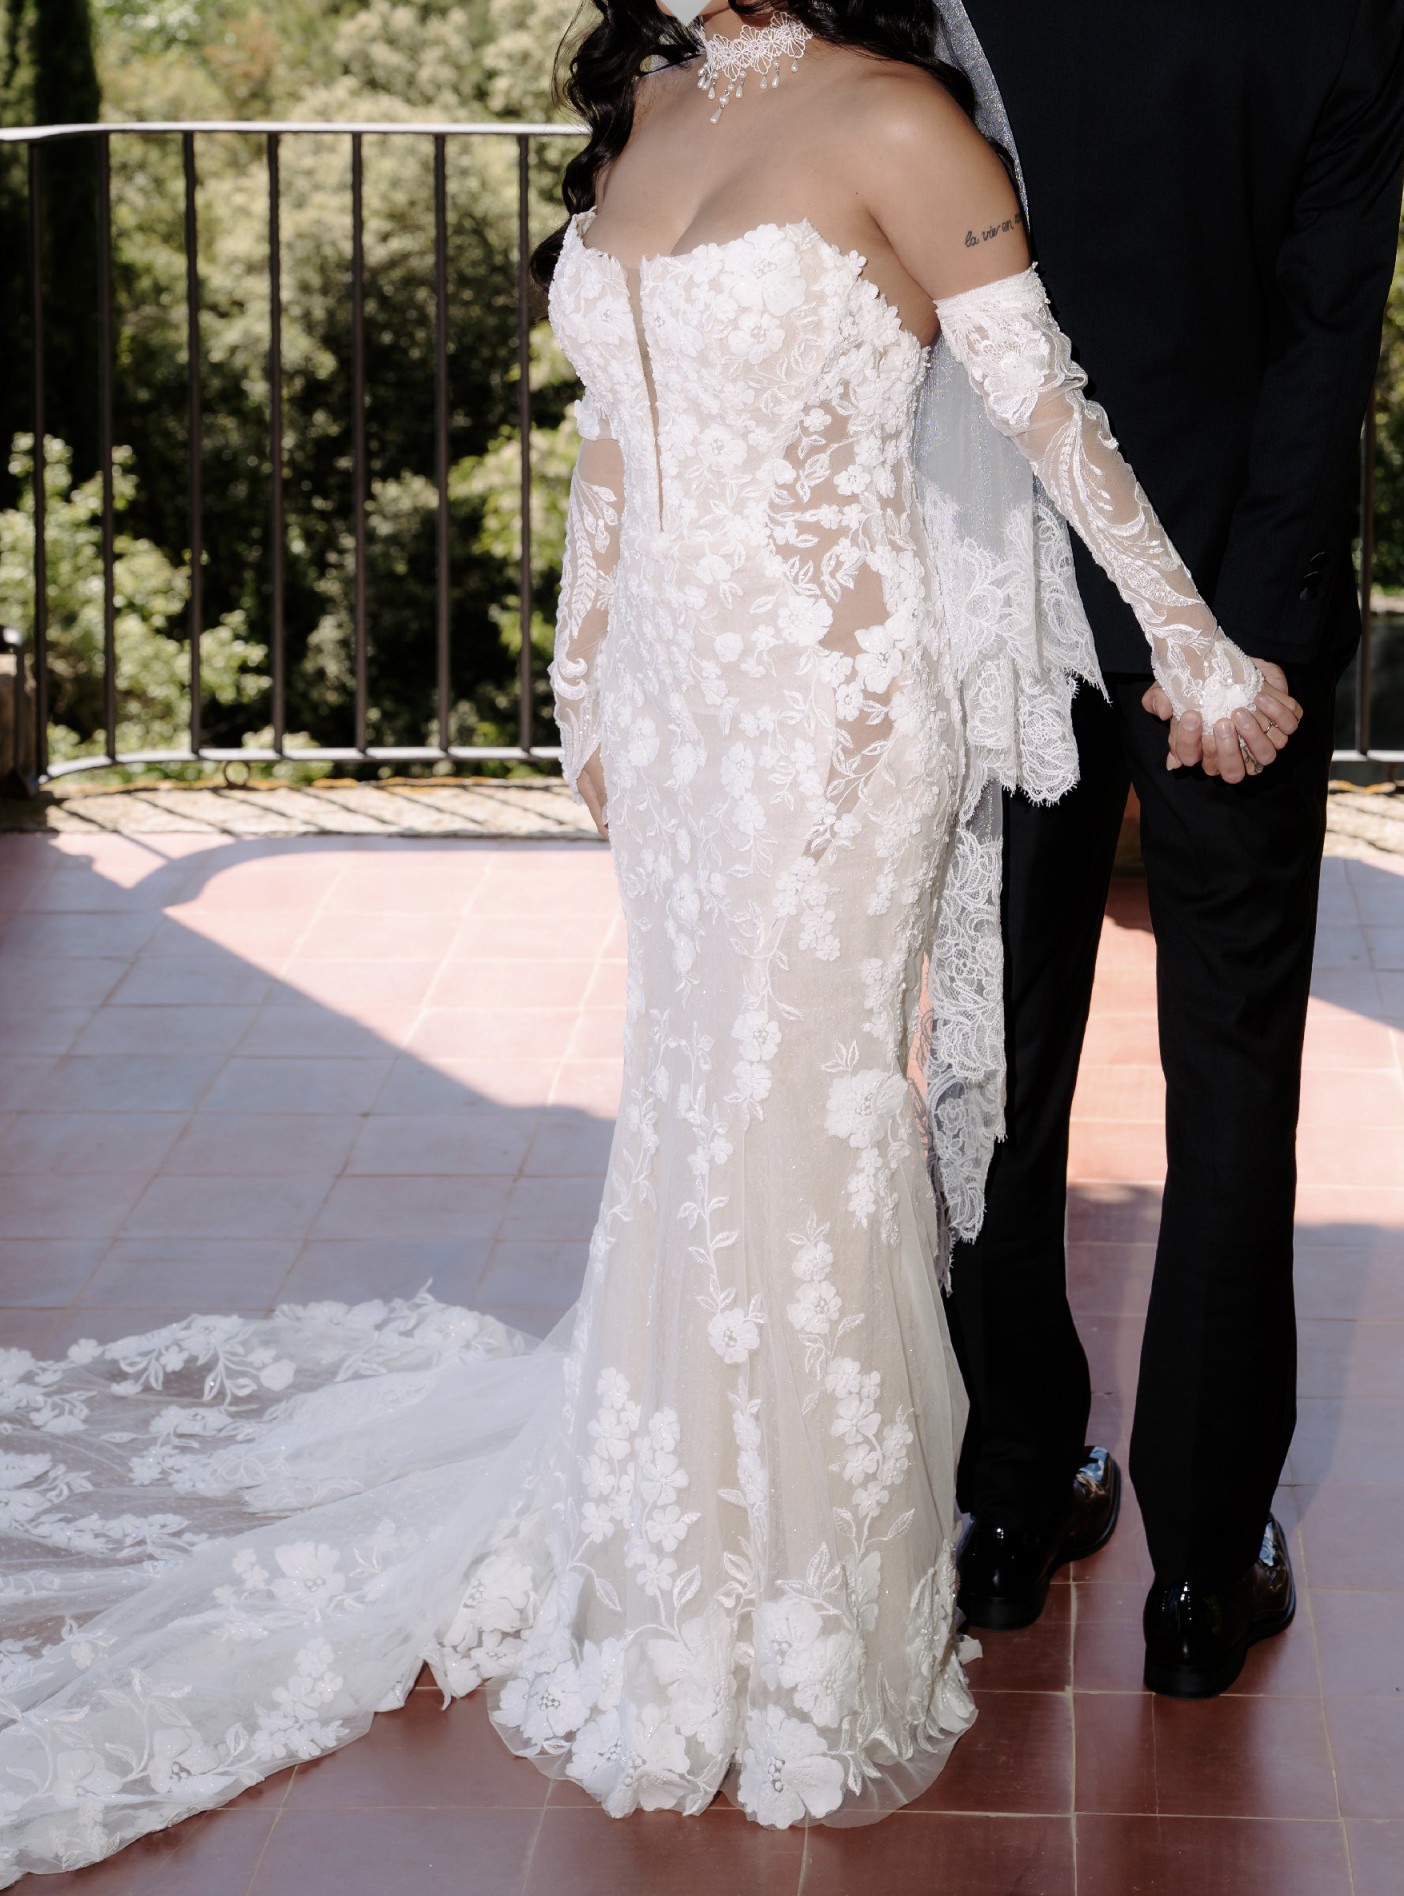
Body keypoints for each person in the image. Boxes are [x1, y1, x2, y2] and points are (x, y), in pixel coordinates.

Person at [0, 3, 1303, 1878]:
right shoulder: (650, 102)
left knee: (806, 1116)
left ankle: (808, 1611)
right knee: (694, 1110)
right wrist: (580, 664)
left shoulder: (904, 120)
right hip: (679, 718)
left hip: (838, 719)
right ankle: (680, 1532)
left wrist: (1193, 647)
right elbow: (618, 427)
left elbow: (1047, 412)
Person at [950, 0, 1404, 1696]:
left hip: (1007, 594)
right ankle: (1203, 1575)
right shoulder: (1344, 14)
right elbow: (1325, 337)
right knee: (1232, 1078)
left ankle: (1009, 1510)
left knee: (996, 1060)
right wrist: (1249, 636)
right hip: (1230, 598)